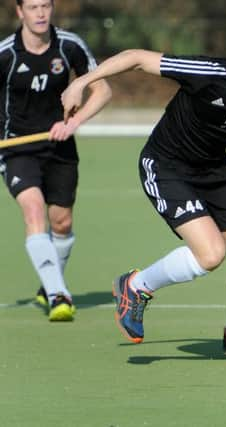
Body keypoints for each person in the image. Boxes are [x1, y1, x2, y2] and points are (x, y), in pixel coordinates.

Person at [62, 24, 226, 363]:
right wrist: (80, 82)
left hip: (215, 170)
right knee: (210, 255)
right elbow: (136, 58)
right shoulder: (211, 73)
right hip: (167, 166)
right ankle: (136, 287)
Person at [0, 0, 111, 321]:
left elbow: (102, 91)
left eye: (45, 5)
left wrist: (73, 123)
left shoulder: (69, 46)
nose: (40, 13)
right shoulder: (6, 54)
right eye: (32, 7)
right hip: (15, 147)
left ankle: (48, 284)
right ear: (20, 12)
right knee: (34, 212)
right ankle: (57, 294)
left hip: (60, 146)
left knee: (61, 222)